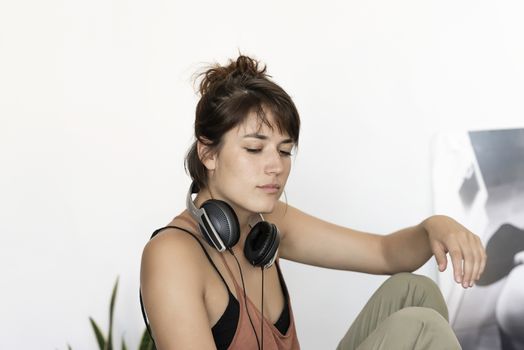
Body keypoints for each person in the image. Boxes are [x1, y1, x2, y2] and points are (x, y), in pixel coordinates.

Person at [140, 55, 487, 350]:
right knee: (420, 327)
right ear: (208, 153)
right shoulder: (172, 254)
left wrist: (435, 227)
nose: (275, 165)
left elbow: (385, 253)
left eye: (284, 150)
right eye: (254, 148)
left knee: (414, 291)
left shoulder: (269, 222)